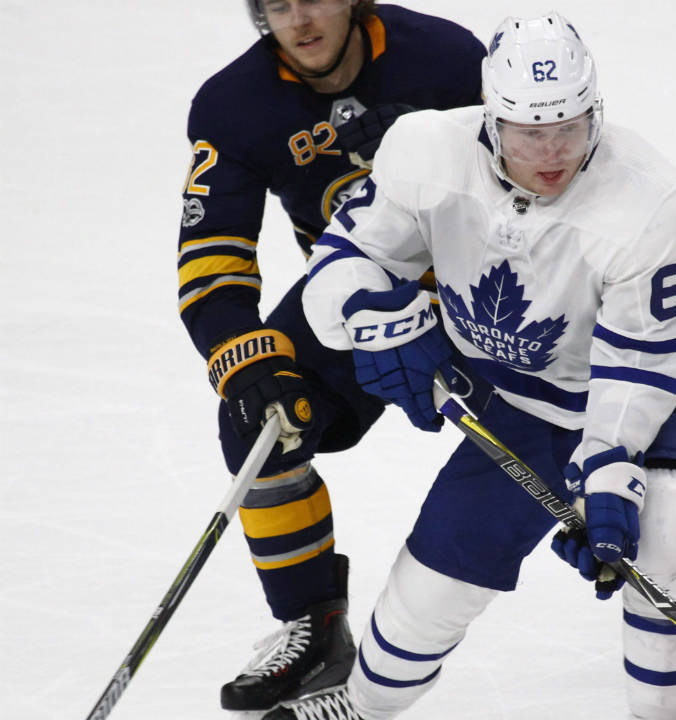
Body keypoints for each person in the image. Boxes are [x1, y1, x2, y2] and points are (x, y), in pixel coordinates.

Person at [263, 12, 676, 720]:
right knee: (434, 582)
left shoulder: (646, 199)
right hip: (530, 393)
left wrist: (608, 474)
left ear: (597, 110)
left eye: (570, 126)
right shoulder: (426, 151)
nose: (553, 150)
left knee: (670, 526)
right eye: (530, 132)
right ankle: (362, 705)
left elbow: (639, 368)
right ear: (491, 120)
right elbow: (345, 259)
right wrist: (370, 317)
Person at [177, 0, 488, 712]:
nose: (300, 20)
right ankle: (313, 628)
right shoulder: (234, 104)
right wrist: (248, 363)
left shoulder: (445, 57)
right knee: (256, 422)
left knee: (601, 438)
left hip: (494, 289)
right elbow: (212, 260)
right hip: (362, 297)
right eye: (278, 5)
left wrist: (442, 140)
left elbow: (550, 163)